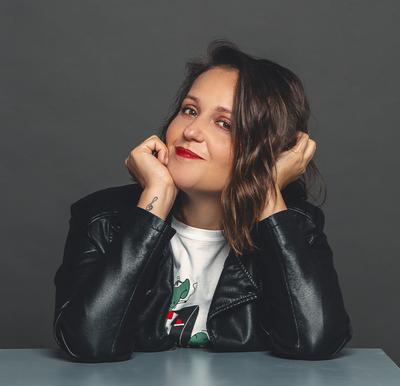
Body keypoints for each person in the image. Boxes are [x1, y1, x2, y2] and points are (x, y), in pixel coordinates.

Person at [53, 39, 353, 363]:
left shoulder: (295, 227)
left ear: (268, 150)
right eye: (190, 110)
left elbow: (315, 340)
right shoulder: (102, 219)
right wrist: (155, 198)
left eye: (224, 124)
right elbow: (88, 342)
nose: (192, 131)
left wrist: (266, 191)